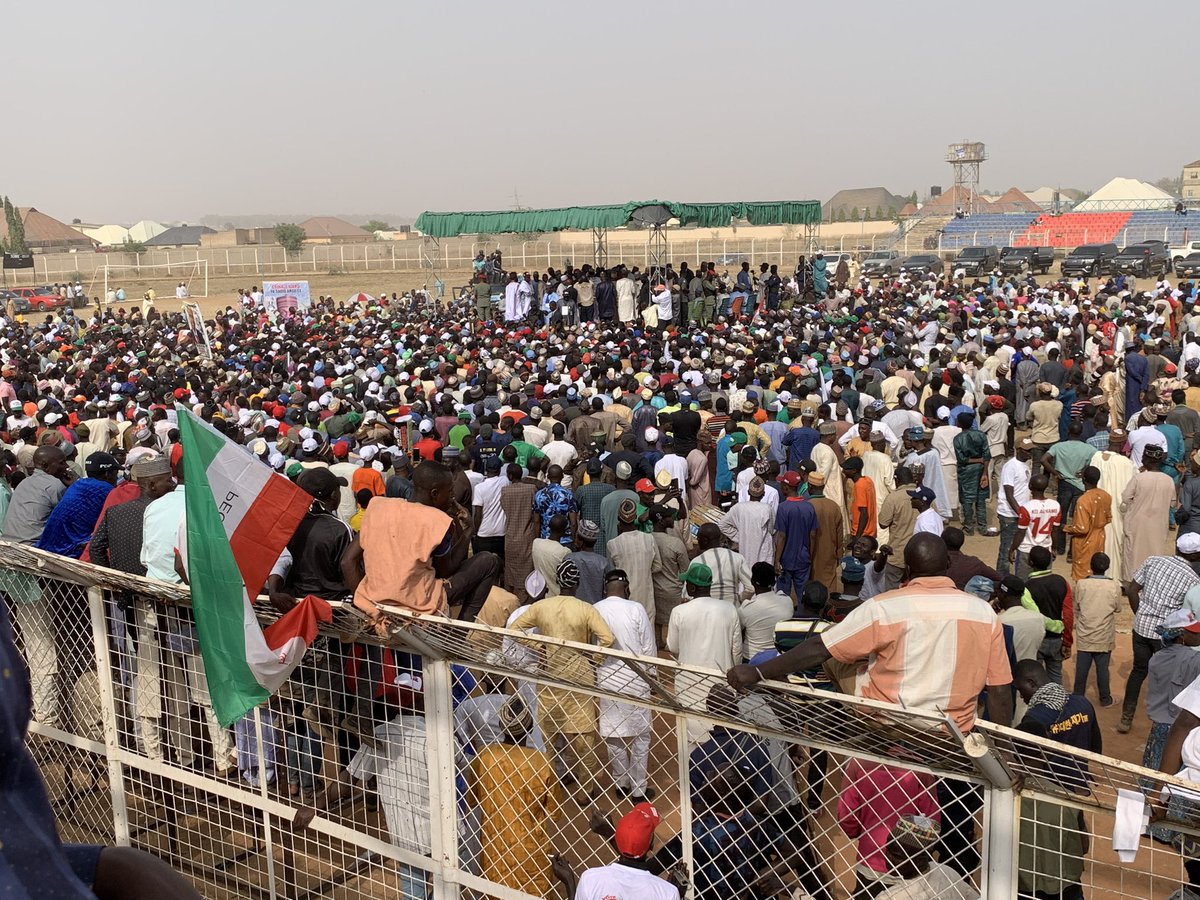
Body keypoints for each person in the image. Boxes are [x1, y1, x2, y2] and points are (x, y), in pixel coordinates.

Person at [728, 533, 1013, 876]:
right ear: (949, 565)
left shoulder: (886, 606)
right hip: (951, 741)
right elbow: (999, 691)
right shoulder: (984, 614)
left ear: (907, 569)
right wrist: (1003, 753)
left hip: (887, 731)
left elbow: (821, 649)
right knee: (955, 834)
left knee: (841, 658)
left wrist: (758, 671)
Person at [345, 461, 500, 623]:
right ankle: (461, 630)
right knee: (489, 561)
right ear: (434, 493)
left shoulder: (379, 507)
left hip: (375, 602)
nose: (452, 497)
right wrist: (468, 531)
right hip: (418, 604)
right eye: (450, 491)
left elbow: (347, 561)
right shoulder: (437, 521)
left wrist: (369, 606)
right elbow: (445, 572)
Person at [510, 578, 615, 801]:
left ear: (557, 582)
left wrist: (539, 646)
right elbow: (608, 639)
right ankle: (585, 792)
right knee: (584, 740)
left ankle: (548, 788)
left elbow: (514, 629)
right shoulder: (585, 609)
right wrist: (592, 657)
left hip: (550, 680)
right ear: (576, 584)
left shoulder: (541, 607)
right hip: (579, 681)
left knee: (548, 738)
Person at [466, 695, 560, 896]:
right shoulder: (541, 762)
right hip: (529, 848)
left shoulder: (485, 756)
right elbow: (555, 812)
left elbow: (473, 798)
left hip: (494, 845)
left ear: (501, 725)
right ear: (530, 727)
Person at [1119, 535, 1200, 733]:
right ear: (1195, 554)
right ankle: (1163, 722)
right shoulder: (1193, 580)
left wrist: (1141, 614)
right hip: (1164, 635)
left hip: (1141, 628)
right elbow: (1185, 614)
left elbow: (1132, 590)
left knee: (1138, 671)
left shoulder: (1153, 560)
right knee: (1168, 676)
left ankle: (1126, 718)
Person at [592, 568, 656, 803]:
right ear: (627, 588)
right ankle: (639, 788)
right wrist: (653, 677)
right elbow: (648, 648)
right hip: (637, 680)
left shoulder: (596, 609)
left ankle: (621, 783)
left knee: (613, 734)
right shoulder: (636, 608)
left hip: (608, 679)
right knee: (641, 736)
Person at [668, 563, 742, 746]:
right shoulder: (729, 609)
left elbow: (673, 647)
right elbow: (737, 651)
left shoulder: (679, 611)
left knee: (690, 743)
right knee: (723, 743)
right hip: (721, 686)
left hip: (688, 685)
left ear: (691, 587)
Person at [551, 801, 683, 900]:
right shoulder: (666, 893)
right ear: (651, 845)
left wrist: (569, 881)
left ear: (617, 840)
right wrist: (678, 894)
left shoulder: (590, 879)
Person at [1071, 552, 1121, 708]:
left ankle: (1077, 698)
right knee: (1102, 669)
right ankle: (1105, 699)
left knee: (1081, 669)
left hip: (1085, 633)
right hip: (1104, 635)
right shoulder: (1114, 586)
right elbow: (1118, 608)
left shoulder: (1081, 584)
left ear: (1091, 567)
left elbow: (1077, 607)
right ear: (1107, 567)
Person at [1121, 443, 1177, 582]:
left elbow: (1125, 498)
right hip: (1158, 527)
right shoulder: (1169, 481)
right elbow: (1173, 503)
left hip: (1136, 525)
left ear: (1145, 460)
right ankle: (1151, 582)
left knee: (1133, 556)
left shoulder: (1139, 478)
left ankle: (1131, 585)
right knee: (1155, 554)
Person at [606, 499, 662, 629]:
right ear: (635, 517)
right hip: (646, 597)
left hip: (624, 598)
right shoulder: (649, 538)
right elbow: (658, 566)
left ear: (618, 519)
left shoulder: (613, 544)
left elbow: (611, 572)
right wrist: (644, 571)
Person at [1022, 546, 1073, 685]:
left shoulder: (1026, 588)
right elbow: (1068, 615)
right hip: (1057, 640)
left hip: (1037, 640)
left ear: (1030, 562)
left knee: (1036, 680)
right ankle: (1057, 705)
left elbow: (1032, 617)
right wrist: (1067, 641)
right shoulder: (1062, 582)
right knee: (1056, 678)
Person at [773, 471, 818, 603]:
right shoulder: (809, 506)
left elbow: (781, 536)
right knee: (803, 594)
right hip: (804, 558)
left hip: (786, 559)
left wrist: (777, 560)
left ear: (786, 487)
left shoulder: (783, 508)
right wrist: (811, 554)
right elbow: (813, 535)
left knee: (782, 595)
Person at [1061, 465, 1112, 582]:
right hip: (1099, 539)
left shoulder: (1083, 500)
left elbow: (1082, 528)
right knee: (1097, 572)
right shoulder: (1106, 496)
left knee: (1082, 575)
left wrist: (1065, 528)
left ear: (1083, 479)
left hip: (1084, 543)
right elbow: (1108, 518)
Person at [739, 563, 794, 662]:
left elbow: (738, 631)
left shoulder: (746, 608)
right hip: (779, 659)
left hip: (752, 660)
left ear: (752, 582)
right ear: (774, 582)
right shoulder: (787, 601)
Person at [1009, 475, 1060, 581]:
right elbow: (1055, 531)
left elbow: (1021, 532)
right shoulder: (1055, 505)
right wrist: (1054, 548)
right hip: (1045, 550)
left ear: (1030, 486)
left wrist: (1012, 549)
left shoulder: (1026, 508)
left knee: (1023, 582)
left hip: (1027, 550)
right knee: (1043, 581)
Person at [718, 475, 775, 567]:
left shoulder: (739, 507)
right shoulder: (767, 509)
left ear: (748, 492)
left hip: (746, 551)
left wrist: (740, 537)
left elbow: (722, 525)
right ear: (763, 494)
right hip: (763, 555)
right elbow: (770, 530)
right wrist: (739, 537)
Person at [952, 411, 990, 535]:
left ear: (960, 423)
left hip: (966, 471)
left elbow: (961, 459)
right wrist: (985, 473)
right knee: (981, 498)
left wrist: (976, 460)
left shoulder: (958, 439)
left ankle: (969, 527)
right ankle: (982, 527)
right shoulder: (981, 435)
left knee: (967, 499)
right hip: (981, 469)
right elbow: (986, 455)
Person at [807, 471, 845, 593]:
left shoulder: (807, 506)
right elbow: (840, 534)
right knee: (828, 585)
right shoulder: (833, 506)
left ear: (809, 487)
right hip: (830, 553)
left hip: (810, 554)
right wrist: (839, 553)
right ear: (823, 487)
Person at [844, 456, 877, 539]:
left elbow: (864, 513)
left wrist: (857, 537)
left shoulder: (859, 485)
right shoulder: (868, 480)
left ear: (854, 471)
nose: (843, 471)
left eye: (846, 469)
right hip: (870, 531)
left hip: (862, 533)